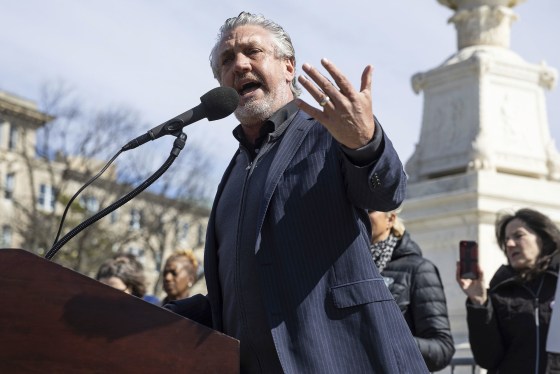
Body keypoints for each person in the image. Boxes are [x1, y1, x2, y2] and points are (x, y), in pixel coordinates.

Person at [166, 11, 428, 373]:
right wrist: (140, 311)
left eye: (252, 51)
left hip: (345, 359)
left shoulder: (329, 132)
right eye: (227, 60)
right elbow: (242, 292)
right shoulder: (233, 174)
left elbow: (388, 193)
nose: (239, 64)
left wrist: (365, 145)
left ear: (288, 66)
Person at [456, 208, 560, 374]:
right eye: (506, 240)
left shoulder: (557, 283)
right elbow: (487, 358)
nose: (510, 244)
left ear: (543, 238)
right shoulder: (500, 290)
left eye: (518, 236)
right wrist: (479, 303)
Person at [368, 208, 455, 371]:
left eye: (370, 210)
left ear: (390, 219)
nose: (362, 215)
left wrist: (391, 341)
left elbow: (442, 348)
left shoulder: (419, 269)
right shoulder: (346, 269)